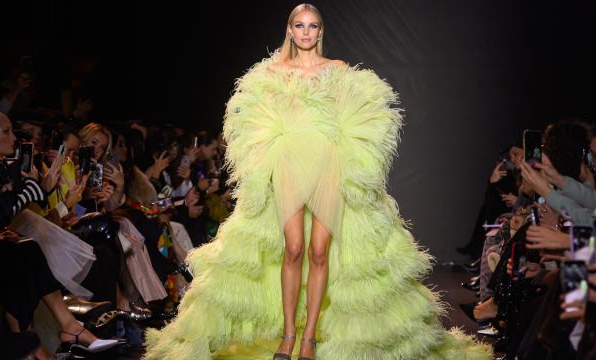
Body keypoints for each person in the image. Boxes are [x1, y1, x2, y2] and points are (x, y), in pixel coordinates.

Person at [145, 4, 491, 360]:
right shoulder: (274, 72)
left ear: (320, 31)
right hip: (289, 163)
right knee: (292, 248)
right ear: (290, 31)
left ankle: (308, 337)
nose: (306, 32)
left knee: (319, 251)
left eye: (312, 26)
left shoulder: (337, 71)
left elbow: (362, 113)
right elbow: (252, 116)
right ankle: (287, 334)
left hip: (328, 163)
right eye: (300, 25)